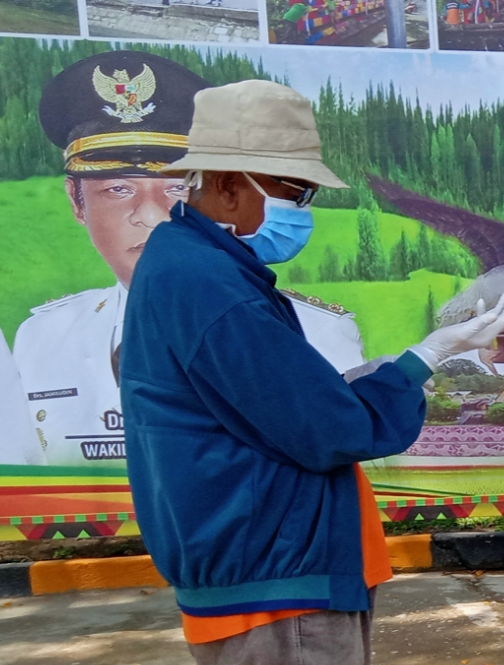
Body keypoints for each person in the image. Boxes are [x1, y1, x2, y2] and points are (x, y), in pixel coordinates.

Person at [122, 79, 504, 665]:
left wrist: (404, 361)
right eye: (293, 192)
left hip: (232, 578)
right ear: (228, 183)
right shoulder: (216, 287)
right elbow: (325, 426)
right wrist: (418, 364)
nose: (302, 212)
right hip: (282, 583)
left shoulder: (181, 264)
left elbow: (266, 408)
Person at [18, 51, 365, 468]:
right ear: (76, 201)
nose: (149, 215)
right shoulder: (42, 337)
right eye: (118, 190)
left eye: (176, 189)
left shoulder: (318, 331)